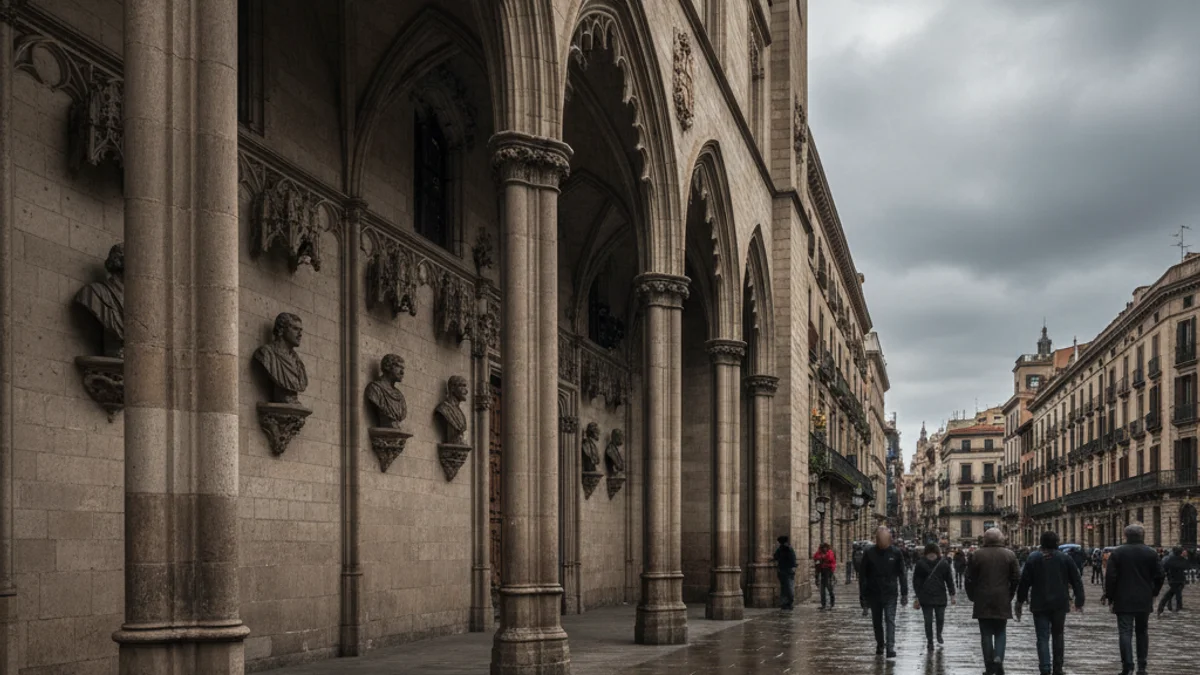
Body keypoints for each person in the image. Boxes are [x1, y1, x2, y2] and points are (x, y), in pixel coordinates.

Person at [1016, 531, 1085, 675]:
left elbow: (1024, 582)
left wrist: (1020, 601)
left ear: (1041, 542)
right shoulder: (1065, 558)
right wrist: (1079, 600)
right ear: (1057, 543)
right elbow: (1076, 580)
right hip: (1059, 603)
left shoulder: (1033, 558)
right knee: (1058, 635)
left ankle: (1045, 668)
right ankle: (1058, 669)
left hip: (1039, 603)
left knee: (1042, 637)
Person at [1104, 524, 1164, 675]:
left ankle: (1127, 667)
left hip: (1122, 598)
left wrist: (1110, 597)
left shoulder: (1118, 553)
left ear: (1126, 536)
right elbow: (1160, 575)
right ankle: (1142, 667)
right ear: (1142, 535)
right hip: (1144, 598)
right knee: (1142, 632)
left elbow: (1110, 577)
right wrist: (1154, 592)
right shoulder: (1151, 553)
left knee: (1125, 632)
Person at [966, 528, 1020, 675]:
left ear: (985, 539)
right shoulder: (1010, 555)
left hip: (982, 598)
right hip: (1002, 597)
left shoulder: (976, 555)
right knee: (1001, 631)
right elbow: (1016, 577)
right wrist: (1010, 594)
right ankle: (998, 658)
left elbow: (969, 578)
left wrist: (972, 595)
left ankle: (989, 667)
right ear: (1001, 539)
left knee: (986, 633)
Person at [859, 526, 908, 659]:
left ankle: (890, 647)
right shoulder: (869, 552)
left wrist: (904, 593)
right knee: (877, 620)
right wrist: (863, 596)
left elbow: (902, 574)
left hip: (890, 592)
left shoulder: (896, 553)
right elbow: (863, 576)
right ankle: (880, 644)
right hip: (874, 592)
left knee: (889, 619)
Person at [912, 542, 955, 650]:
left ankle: (931, 639)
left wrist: (917, 595)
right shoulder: (941, 562)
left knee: (928, 620)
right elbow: (949, 580)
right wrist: (952, 594)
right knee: (939, 618)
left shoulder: (923, 563)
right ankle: (935, 637)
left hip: (927, 596)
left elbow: (916, 582)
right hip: (937, 596)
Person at [1158, 546, 1189, 617]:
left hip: (1172, 580)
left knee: (1172, 593)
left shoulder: (1170, 559)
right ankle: (1177, 607)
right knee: (1176, 594)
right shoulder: (1183, 560)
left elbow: (1165, 568)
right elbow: (1186, 567)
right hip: (1181, 580)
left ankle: (1163, 607)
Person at [773, 535, 797, 610]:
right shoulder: (781, 549)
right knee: (784, 588)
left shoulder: (788, 549)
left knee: (788, 588)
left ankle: (788, 602)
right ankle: (785, 603)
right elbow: (776, 556)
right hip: (783, 570)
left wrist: (793, 567)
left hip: (787, 570)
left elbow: (792, 559)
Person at [813, 542, 836, 609]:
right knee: (822, 588)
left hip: (828, 571)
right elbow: (816, 558)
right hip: (821, 571)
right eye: (823, 548)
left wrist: (822, 558)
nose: (824, 549)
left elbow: (830, 559)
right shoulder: (819, 553)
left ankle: (832, 602)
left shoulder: (830, 552)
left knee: (828, 586)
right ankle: (823, 604)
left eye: (825, 547)